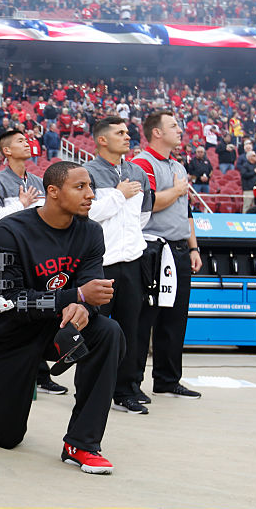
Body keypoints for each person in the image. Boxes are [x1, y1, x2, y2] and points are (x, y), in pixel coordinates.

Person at [0, 161, 123, 473]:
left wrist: (85, 308)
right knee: (6, 436)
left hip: (53, 327)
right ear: (53, 192)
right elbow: (2, 302)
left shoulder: (91, 232)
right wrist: (74, 297)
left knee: (108, 332)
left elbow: (94, 291)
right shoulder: (10, 230)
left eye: (90, 186)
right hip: (5, 335)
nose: (90, 194)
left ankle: (82, 443)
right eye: (80, 187)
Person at [0, 127, 66, 395]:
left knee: (41, 315)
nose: (27, 144)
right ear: (7, 151)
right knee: (14, 316)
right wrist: (21, 204)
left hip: (39, 259)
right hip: (10, 262)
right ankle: (19, 374)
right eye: (20, 141)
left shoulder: (40, 182)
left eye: (27, 139)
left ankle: (41, 375)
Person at [130, 111, 203, 400]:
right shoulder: (141, 164)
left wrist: (194, 246)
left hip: (179, 248)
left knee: (175, 318)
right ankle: (132, 383)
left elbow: (186, 212)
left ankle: (168, 380)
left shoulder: (179, 167)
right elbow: (147, 204)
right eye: (173, 125)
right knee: (144, 318)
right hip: (152, 248)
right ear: (156, 132)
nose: (180, 129)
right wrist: (175, 190)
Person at [85, 117, 153, 414]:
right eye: (120, 132)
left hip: (132, 262)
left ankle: (125, 390)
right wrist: (118, 195)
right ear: (102, 140)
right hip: (101, 265)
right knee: (96, 330)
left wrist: (128, 239)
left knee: (130, 329)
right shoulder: (86, 172)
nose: (128, 136)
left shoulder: (137, 171)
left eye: (128, 132)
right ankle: (90, 387)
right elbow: (85, 214)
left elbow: (144, 215)